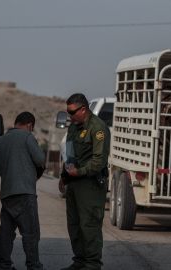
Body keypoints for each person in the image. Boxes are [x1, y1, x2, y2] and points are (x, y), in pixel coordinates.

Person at [59, 93, 110, 270]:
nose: (69, 116)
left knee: (89, 226)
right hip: (73, 183)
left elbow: (98, 162)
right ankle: (79, 261)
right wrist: (63, 176)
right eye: (67, 112)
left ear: (83, 109)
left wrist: (78, 172)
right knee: (74, 225)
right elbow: (70, 155)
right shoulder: (73, 127)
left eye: (72, 112)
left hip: (90, 184)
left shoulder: (98, 128)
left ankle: (92, 264)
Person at [0, 111, 45, 270]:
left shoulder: (2, 140)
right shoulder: (27, 137)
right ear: (30, 125)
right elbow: (40, 160)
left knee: (6, 233)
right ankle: (33, 265)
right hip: (25, 194)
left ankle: (4, 265)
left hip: (7, 194)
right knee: (30, 233)